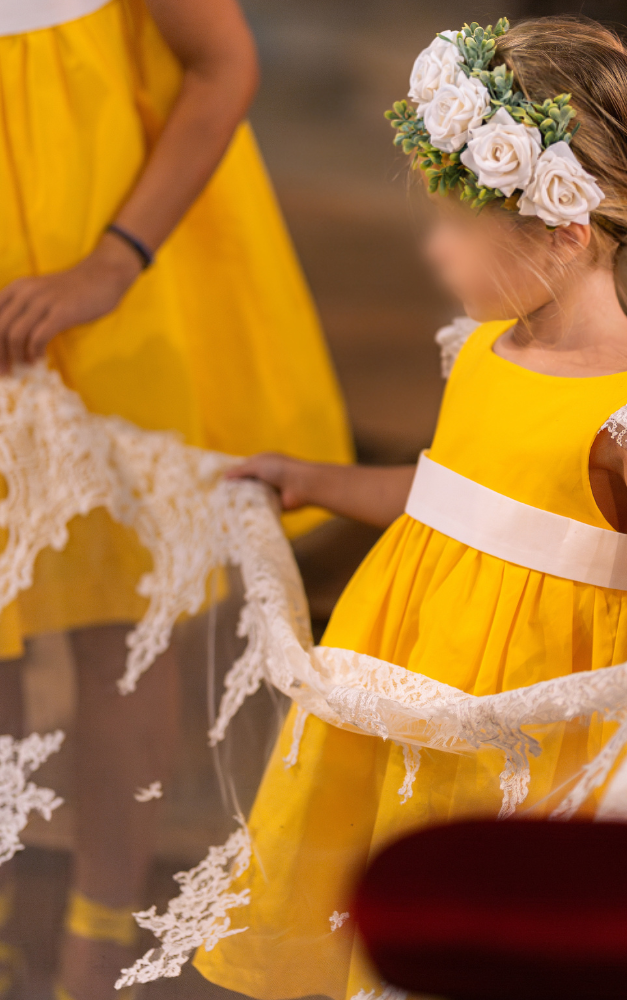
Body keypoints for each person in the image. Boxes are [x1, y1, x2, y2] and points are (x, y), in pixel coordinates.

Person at [195, 16, 627, 1000]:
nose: (435, 248)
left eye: (458, 226)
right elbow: (451, 503)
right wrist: (317, 480)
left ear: (563, 231)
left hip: (530, 721)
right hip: (427, 677)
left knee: (501, 936)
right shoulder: (482, 345)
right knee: (411, 913)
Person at [0, 2, 354, 999]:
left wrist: (114, 258)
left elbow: (221, 62)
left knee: (123, 619)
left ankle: (96, 936)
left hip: (98, 282)